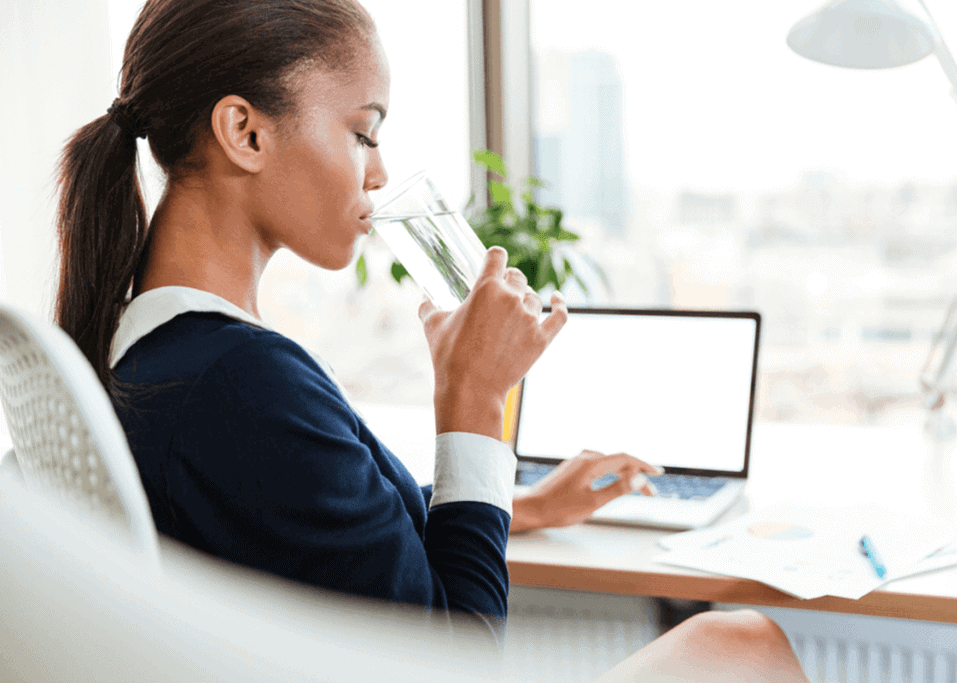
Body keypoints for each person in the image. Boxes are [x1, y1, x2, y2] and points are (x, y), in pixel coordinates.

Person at [53, 0, 808, 679]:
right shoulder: (242, 381)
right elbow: (459, 657)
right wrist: (474, 399)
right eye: (363, 132)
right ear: (245, 131)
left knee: (734, 640)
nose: (378, 172)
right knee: (745, 642)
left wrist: (528, 504)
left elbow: (328, 504)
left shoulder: (152, 350)